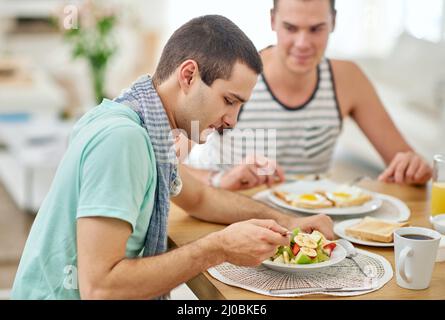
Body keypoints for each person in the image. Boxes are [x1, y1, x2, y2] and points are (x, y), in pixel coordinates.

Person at [11, 15, 333, 300]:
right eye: (229, 100)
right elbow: (101, 289)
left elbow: (202, 197)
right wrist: (218, 248)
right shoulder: (123, 139)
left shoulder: (146, 127)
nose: (232, 120)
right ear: (189, 75)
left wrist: (288, 222)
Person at [185, 0, 433, 191]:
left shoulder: (348, 79)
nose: (302, 43)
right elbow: (167, 167)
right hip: (230, 216)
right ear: (273, 20)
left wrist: (414, 167)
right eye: (291, 28)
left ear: (334, 22)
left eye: (316, 29)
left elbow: (411, 167)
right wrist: (219, 180)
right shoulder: (235, 75)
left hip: (309, 225)